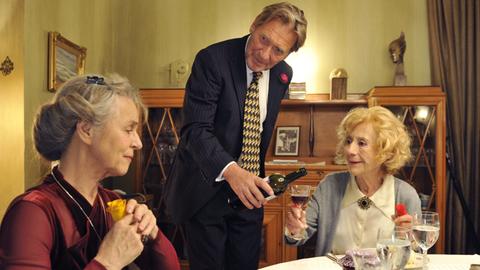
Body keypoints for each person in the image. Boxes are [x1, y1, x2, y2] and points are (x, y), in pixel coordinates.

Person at [165, 2, 307, 269]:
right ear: (255, 24)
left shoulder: (283, 75)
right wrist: (232, 171)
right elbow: (195, 130)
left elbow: (257, 130)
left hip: (249, 198)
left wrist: (253, 179)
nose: (265, 55)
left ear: (289, 53)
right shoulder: (212, 60)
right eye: (263, 39)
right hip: (206, 190)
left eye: (279, 50)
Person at [0, 74, 180, 269]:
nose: (137, 143)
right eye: (129, 130)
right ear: (86, 129)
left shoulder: (111, 204)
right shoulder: (32, 212)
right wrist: (108, 262)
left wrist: (153, 234)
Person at [285, 106, 421, 255]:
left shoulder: (406, 195)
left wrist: (409, 240)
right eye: (348, 141)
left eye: (361, 143)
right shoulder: (329, 186)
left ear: (385, 151)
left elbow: (415, 252)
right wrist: (294, 229)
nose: (350, 150)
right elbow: (299, 236)